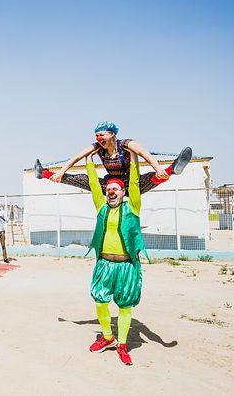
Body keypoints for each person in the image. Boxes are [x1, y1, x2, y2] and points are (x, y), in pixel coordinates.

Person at [84, 147, 150, 366]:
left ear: (123, 193)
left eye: (116, 189)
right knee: (100, 301)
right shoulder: (101, 207)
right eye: (109, 189)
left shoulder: (133, 207)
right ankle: (107, 336)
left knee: (124, 306)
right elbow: (94, 185)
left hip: (126, 266)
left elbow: (135, 183)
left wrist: (134, 158)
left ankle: (121, 344)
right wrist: (89, 160)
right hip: (104, 263)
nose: (111, 192)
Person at [34, 121, 192, 195]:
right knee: (82, 179)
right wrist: (61, 172)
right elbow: (77, 157)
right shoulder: (97, 147)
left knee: (153, 177)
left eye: (101, 135)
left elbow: (144, 153)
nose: (98, 138)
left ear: (112, 134)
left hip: (131, 183)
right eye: (96, 136)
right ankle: (44, 174)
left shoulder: (127, 143)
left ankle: (172, 169)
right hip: (110, 183)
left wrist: (157, 168)